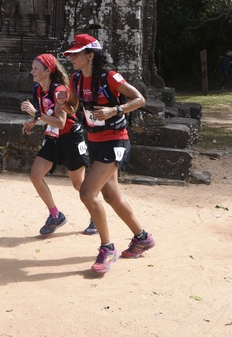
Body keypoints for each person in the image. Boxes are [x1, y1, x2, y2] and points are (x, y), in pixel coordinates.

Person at [63, 33, 155, 274]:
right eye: (70, 54)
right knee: (112, 196)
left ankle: (107, 248)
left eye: (76, 54)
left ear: (90, 55)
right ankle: (142, 238)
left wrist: (115, 109)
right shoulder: (75, 79)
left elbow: (139, 99)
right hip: (93, 142)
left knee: (87, 192)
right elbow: (72, 107)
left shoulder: (110, 77)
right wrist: (63, 102)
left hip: (115, 141)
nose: (71, 58)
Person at [20, 54, 96, 236]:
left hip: (71, 138)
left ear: (48, 71)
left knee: (79, 185)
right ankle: (55, 215)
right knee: (35, 176)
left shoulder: (59, 91)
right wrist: (33, 122)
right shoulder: (38, 89)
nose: (32, 71)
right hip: (53, 137)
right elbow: (46, 113)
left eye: (36, 68)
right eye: (32, 67)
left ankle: (95, 215)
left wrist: (36, 114)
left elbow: (61, 123)